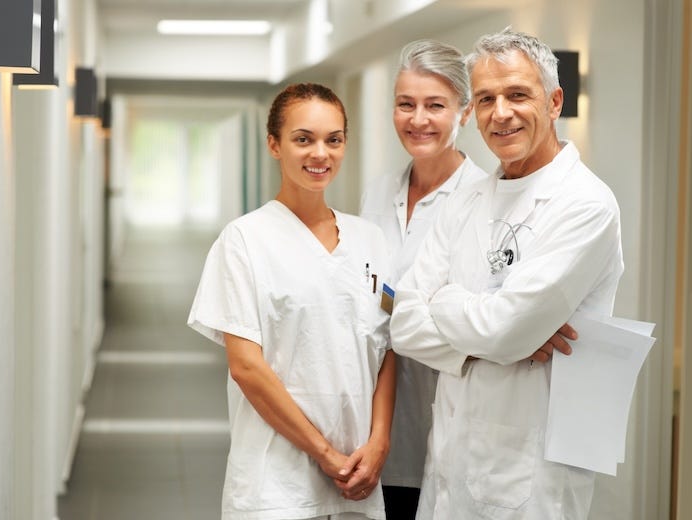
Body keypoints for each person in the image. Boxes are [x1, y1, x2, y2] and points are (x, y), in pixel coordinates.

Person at [390, 28, 624, 519]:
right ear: (472, 112)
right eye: (486, 98)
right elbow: (405, 323)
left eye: (518, 94)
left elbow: (504, 328)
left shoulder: (585, 204)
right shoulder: (468, 196)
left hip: (531, 472)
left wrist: (448, 302)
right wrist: (493, 335)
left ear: (555, 101)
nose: (501, 112)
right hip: (449, 463)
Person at [188, 82, 397, 520]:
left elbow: (387, 350)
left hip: (358, 478)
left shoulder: (370, 240)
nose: (320, 153)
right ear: (274, 145)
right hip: (275, 484)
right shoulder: (244, 240)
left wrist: (378, 444)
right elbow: (246, 367)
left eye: (333, 140)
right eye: (303, 139)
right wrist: (324, 453)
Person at [359, 39, 487, 519]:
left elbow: (480, 322)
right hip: (372, 425)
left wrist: (416, 319)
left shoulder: (483, 201)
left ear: (465, 112)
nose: (418, 120)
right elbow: (372, 297)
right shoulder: (378, 192)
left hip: (446, 423)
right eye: (405, 104)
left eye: (435, 105)